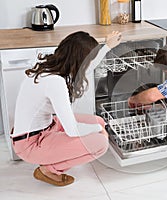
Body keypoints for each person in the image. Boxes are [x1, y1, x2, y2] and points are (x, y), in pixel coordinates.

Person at [11, 31, 122, 186]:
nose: (88, 65)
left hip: (46, 127)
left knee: (99, 120)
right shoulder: (55, 82)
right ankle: (49, 169)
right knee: (100, 143)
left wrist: (107, 46)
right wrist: (97, 129)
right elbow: (73, 130)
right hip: (31, 144)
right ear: (79, 61)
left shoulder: (51, 69)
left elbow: (87, 68)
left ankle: (52, 159)